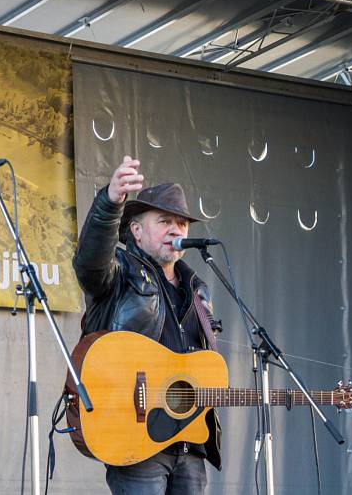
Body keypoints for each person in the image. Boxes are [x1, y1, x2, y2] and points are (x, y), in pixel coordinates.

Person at [72, 155, 222, 495]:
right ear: (136, 231)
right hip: (137, 439)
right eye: (165, 221)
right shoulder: (119, 272)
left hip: (189, 443)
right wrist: (109, 203)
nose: (176, 229)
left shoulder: (199, 290)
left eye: (182, 224)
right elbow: (89, 262)